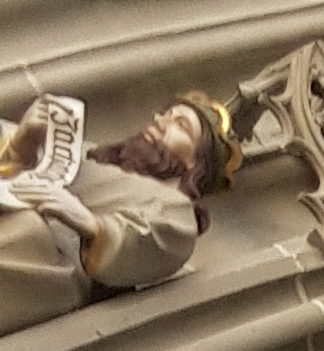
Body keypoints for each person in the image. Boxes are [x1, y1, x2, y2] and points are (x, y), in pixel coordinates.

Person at [0, 92, 228, 332]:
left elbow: (165, 236)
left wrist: (90, 223)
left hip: (50, 257)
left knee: (29, 231)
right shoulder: (84, 155)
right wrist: (17, 149)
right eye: (166, 114)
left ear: (196, 165)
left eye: (180, 125)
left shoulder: (175, 209)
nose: (161, 121)